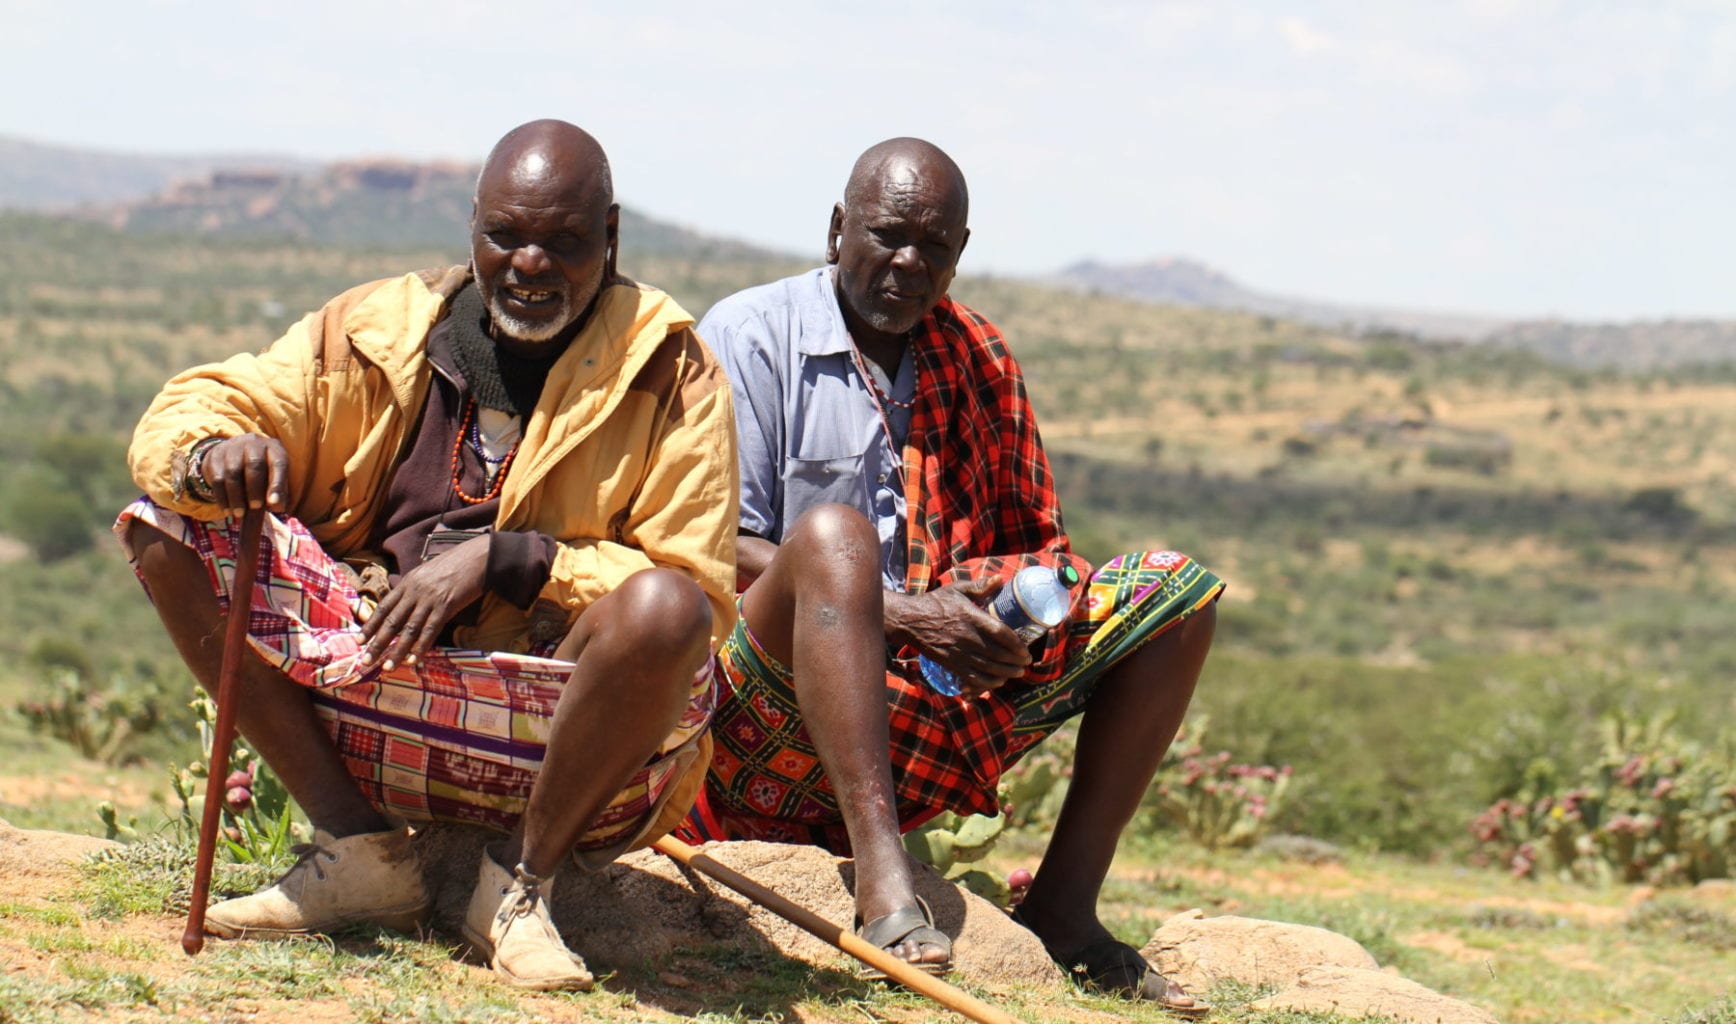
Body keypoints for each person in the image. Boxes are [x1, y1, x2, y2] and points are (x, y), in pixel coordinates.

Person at [117, 119, 738, 993]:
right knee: (165, 525)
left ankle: (518, 887)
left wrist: (508, 560)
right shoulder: (374, 331)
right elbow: (208, 399)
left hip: (551, 724)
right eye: (505, 236)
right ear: (472, 228)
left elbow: (701, 596)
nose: (530, 264)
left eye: (563, 241)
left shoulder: (670, 370)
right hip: (365, 688)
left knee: (666, 609)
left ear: (610, 237)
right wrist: (212, 453)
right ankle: (360, 856)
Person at [674, 138, 1222, 1014]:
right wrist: (903, 613)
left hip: (938, 683)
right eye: (888, 236)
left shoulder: (976, 355)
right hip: (768, 693)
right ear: (836, 231)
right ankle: (884, 874)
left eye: (935, 248)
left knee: (1176, 600)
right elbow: (704, 542)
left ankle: (1063, 907)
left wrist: (996, 609)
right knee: (834, 535)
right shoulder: (749, 335)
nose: (908, 263)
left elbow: (1039, 542)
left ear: (960, 255)